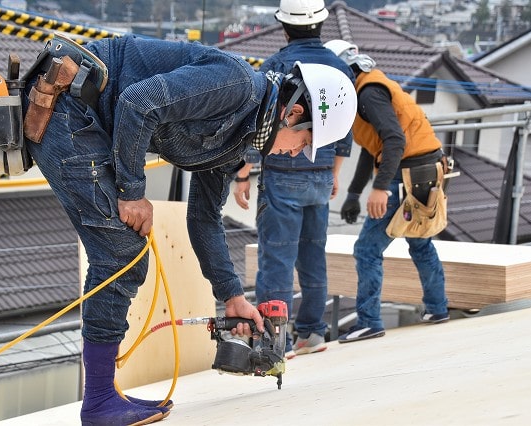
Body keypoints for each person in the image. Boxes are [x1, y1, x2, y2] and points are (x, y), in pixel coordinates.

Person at [21, 33, 356, 426]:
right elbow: (138, 102)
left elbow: (203, 218)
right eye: (306, 142)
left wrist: (231, 296)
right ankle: (98, 402)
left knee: (122, 254)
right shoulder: (238, 86)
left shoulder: (240, 138)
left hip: (88, 117)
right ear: (295, 112)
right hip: (68, 105)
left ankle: (102, 395)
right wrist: (132, 192)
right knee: (120, 255)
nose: (298, 153)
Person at [232, 0, 355, 359]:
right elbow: (344, 130)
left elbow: (260, 123)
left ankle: (274, 341)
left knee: (277, 259)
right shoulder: (338, 67)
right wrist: (334, 175)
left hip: (284, 174)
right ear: (320, 25)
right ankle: (313, 331)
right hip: (321, 174)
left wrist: (242, 174)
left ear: (284, 27)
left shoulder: (278, 66)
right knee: (313, 255)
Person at [323, 39, 450, 344]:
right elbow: (373, 147)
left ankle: (369, 321)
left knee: (367, 249)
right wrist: (354, 193)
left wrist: (379, 190)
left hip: (405, 175)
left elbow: (394, 140)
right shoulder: (367, 89)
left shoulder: (368, 93)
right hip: (426, 170)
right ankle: (438, 308)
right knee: (420, 243)